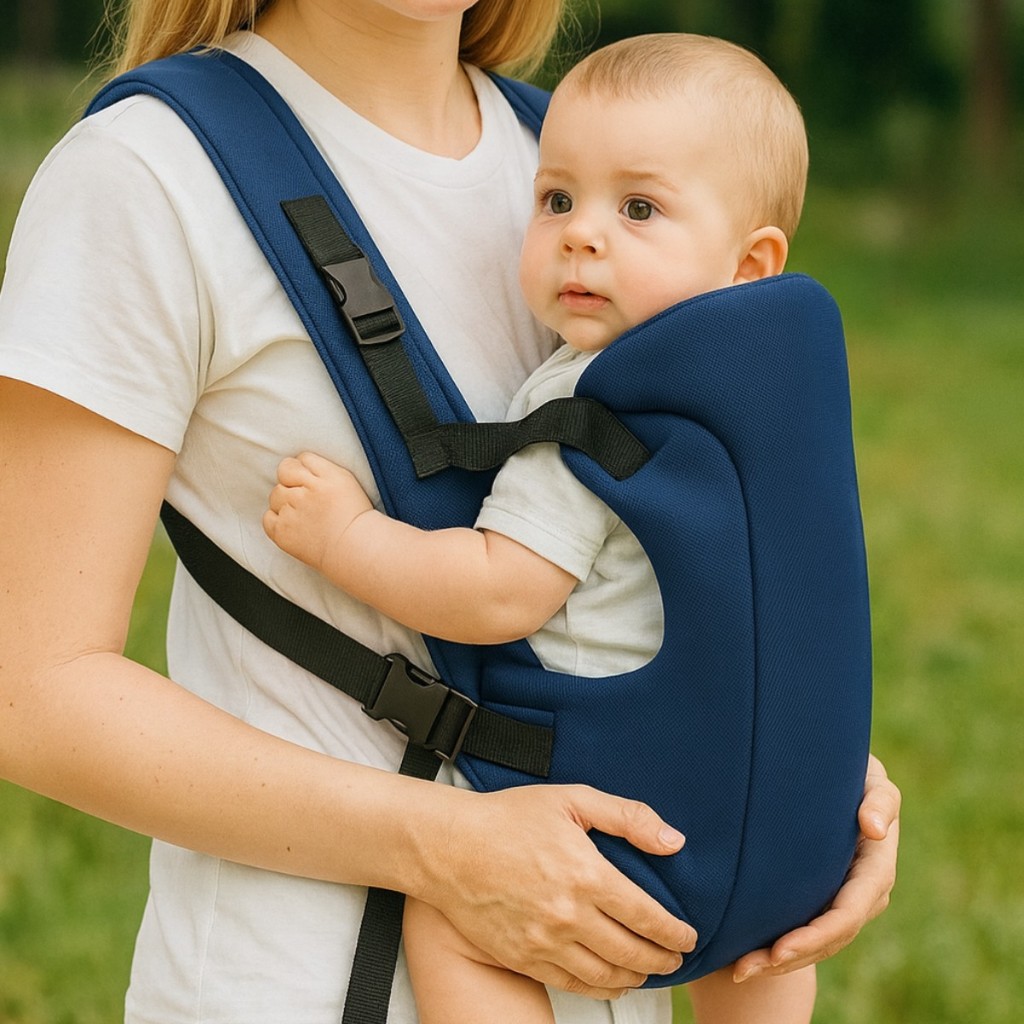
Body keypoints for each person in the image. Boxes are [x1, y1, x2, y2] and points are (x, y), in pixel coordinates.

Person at [0, 2, 899, 1023]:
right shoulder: (145, 175)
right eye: (563, 205)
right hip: (301, 982)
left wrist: (801, 788)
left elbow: (686, 555)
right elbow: (31, 693)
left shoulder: (574, 153)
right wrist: (444, 846)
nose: (581, 228)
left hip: (626, 962)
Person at [263, 31, 849, 1024]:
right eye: (556, 199)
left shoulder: (591, 398)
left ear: (750, 262)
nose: (582, 234)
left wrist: (346, 538)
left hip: (633, 816)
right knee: (761, 948)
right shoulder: (773, 407)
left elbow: (501, 592)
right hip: (795, 821)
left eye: (638, 209)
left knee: (448, 922)